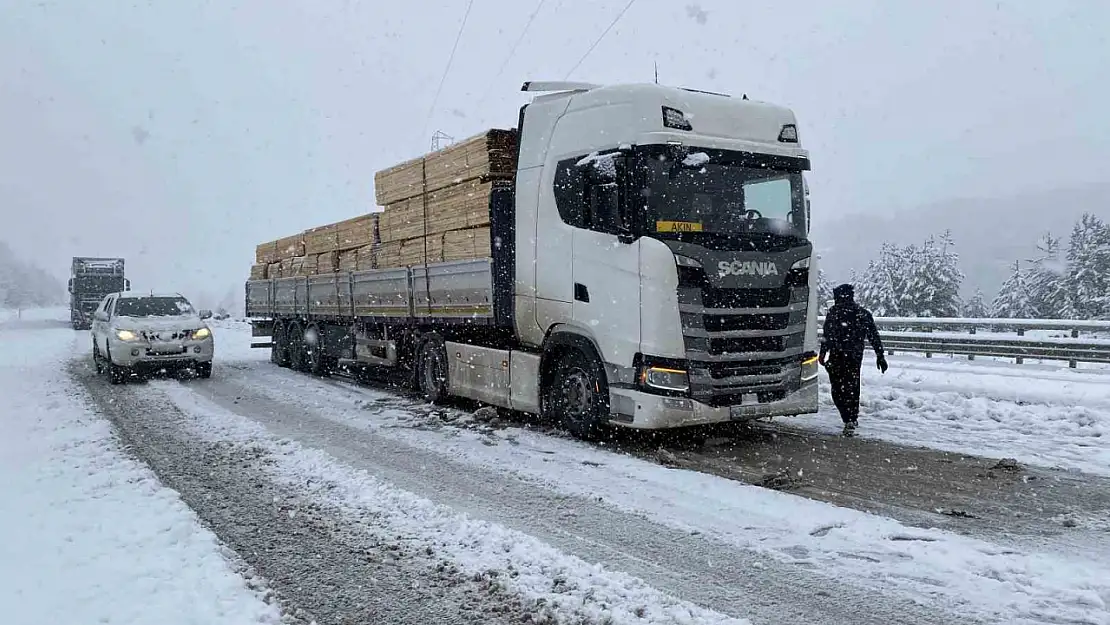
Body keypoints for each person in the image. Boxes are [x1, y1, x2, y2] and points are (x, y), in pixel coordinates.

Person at [818, 283, 888, 436]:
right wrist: (880, 355)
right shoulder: (862, 313)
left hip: (837, 356)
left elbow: (827, 335)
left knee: (837, 388)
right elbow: (874, 336)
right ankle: (852, 417)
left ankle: (846, 417)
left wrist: (823, 353)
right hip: (855, 357)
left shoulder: (833, 313)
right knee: (852, 386)